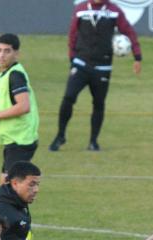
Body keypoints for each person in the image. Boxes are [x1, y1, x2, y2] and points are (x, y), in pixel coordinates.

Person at [48, 0, 142, 152]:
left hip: (103, 67)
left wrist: (137, 57)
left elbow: (129, 31)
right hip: (81, 63)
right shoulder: (81, 9)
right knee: (68, 97)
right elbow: (72, 34)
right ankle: (60, 136)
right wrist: (72, 58)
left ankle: (93, 142)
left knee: (98, 104)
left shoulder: (114, 10)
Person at [0, 33, 40, 184]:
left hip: (21, 140)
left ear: (17, 53)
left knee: (10, 188)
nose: (1, 55)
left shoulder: (15, 75)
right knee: (6, 183)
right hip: (14, 139)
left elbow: (24, 106)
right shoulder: (5, 75)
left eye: (7, 51)